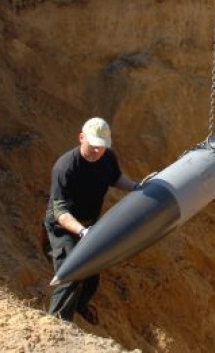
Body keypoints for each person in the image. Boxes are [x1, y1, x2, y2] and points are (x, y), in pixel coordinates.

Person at [44, 117, 141, 324]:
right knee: (72, 273)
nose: (98, 151)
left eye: (102, 147)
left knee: (91, 276)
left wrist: (135, 187)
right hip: (64, 227)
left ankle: (80, 306)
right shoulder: (65, 168)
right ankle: (57, 324)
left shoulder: (107, 157)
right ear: (81, 138)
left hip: (89, 224)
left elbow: (115, 178)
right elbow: (60, 212)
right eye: (94, 145)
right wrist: (81, 231)